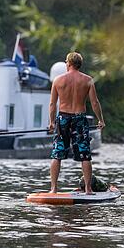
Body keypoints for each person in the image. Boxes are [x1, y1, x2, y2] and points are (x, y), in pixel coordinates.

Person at [47, 52, 105, 194]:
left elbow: (52, 104)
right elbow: (95, 102)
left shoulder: (58, 80)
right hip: (80, 118)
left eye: (66, 62)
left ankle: (53, 189)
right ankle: (89, 189)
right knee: (85, 154)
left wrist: (52, 122)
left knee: (57, 154)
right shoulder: (88, 80)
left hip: (63, 119)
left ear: (69, 63)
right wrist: (101, 120)